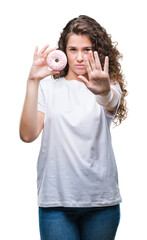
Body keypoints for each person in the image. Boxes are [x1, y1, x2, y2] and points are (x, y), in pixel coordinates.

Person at [19, 15, 127, 240]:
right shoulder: (49, 89)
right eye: (73, 49)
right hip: (56, 202)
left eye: (87, 50)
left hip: (101, 202)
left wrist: (104, 91)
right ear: (63, 52)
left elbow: (111, 101)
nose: (79, 57)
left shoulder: (107, 86)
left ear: (97, 51)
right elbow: (28, 135)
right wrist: (33, 81)